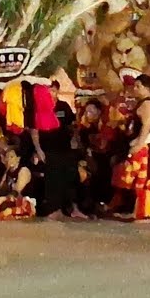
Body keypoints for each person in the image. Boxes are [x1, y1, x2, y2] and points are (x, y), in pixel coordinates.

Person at [33, 81, 87, 220]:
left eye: (54, 91)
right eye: (49, 91)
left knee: (71, 177)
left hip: (65, 148)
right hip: (49, 150)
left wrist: (75, 138)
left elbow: (72, 125)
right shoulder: (40, 108)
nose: (51, 94)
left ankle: (74, 208)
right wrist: (39, 150)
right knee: (53, 180)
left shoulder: (63, 106)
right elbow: (35, 131)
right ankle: (54, 209)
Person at [117, 74, 150, 224]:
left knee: (148, 179)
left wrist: (139, 144)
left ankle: (149, 214)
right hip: (144, 144)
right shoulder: (141, 103)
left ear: (146, 88)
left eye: (138, 86)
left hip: (149, 146)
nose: (135, 89)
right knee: (140, 179)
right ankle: (140, 211)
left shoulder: (148, 104)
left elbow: (147, 126)